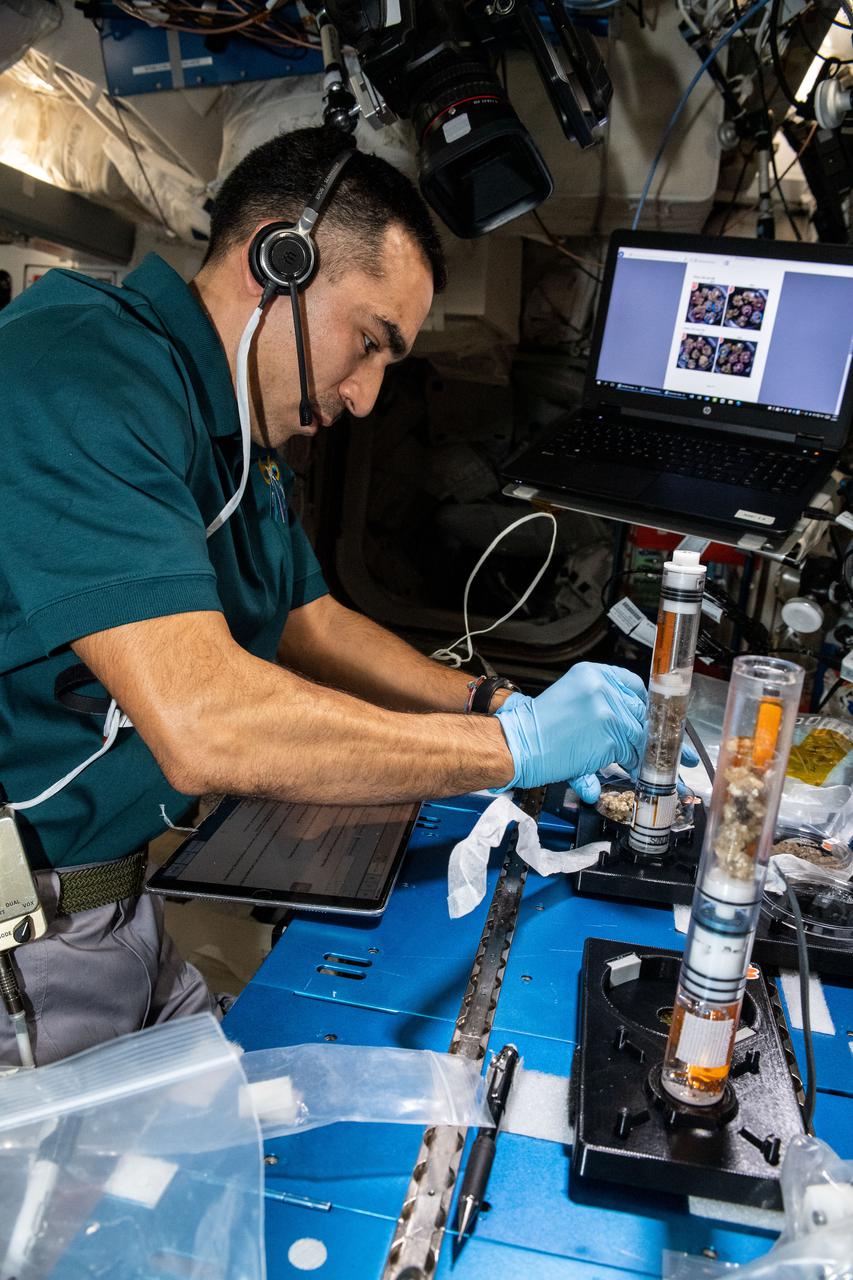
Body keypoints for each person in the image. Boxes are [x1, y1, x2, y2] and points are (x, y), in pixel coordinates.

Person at [0, 126, 651, 1067]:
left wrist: (492, 701)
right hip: (27, 937)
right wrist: (513, 750)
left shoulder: (226, 432)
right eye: (369, 344)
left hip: (115, 907)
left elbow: (312, 620)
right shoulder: (77, 374)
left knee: (219, 1135)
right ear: (280, 256)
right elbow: (207, 723)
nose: (365, 398)